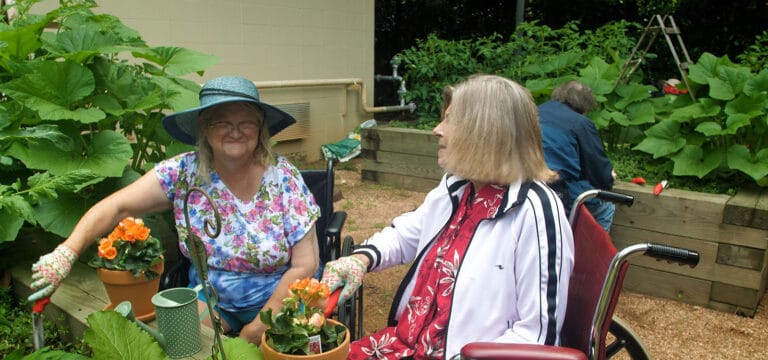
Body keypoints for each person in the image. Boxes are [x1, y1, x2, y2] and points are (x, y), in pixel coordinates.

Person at [27, 76, 321, 345]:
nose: (235, 131)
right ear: (204, 129)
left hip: (280, 296)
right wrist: (66, 252)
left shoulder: (283, 177)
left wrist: (254, 331)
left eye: (247, 122)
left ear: (260, 129)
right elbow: (116, 205)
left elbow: (304, 266)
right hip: (212, 297)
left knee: (286, 349)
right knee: (179, 347)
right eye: (222, 123)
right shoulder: (182, 172)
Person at [321, 74, 574, 359]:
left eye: (451, 121)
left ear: (486, 133)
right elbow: (406, 234)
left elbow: (536, 335)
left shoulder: (534, 211)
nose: (436, 130)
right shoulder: (458, 186)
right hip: (407, 344)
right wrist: (360, 259)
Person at [538, 80, 617, 232]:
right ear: (585, 106)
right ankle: (591, 254)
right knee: (606, 206)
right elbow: (597, 170)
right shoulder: (581, 123)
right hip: (558, 190)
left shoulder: (533, 111)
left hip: (523, 183)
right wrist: (609, 177)